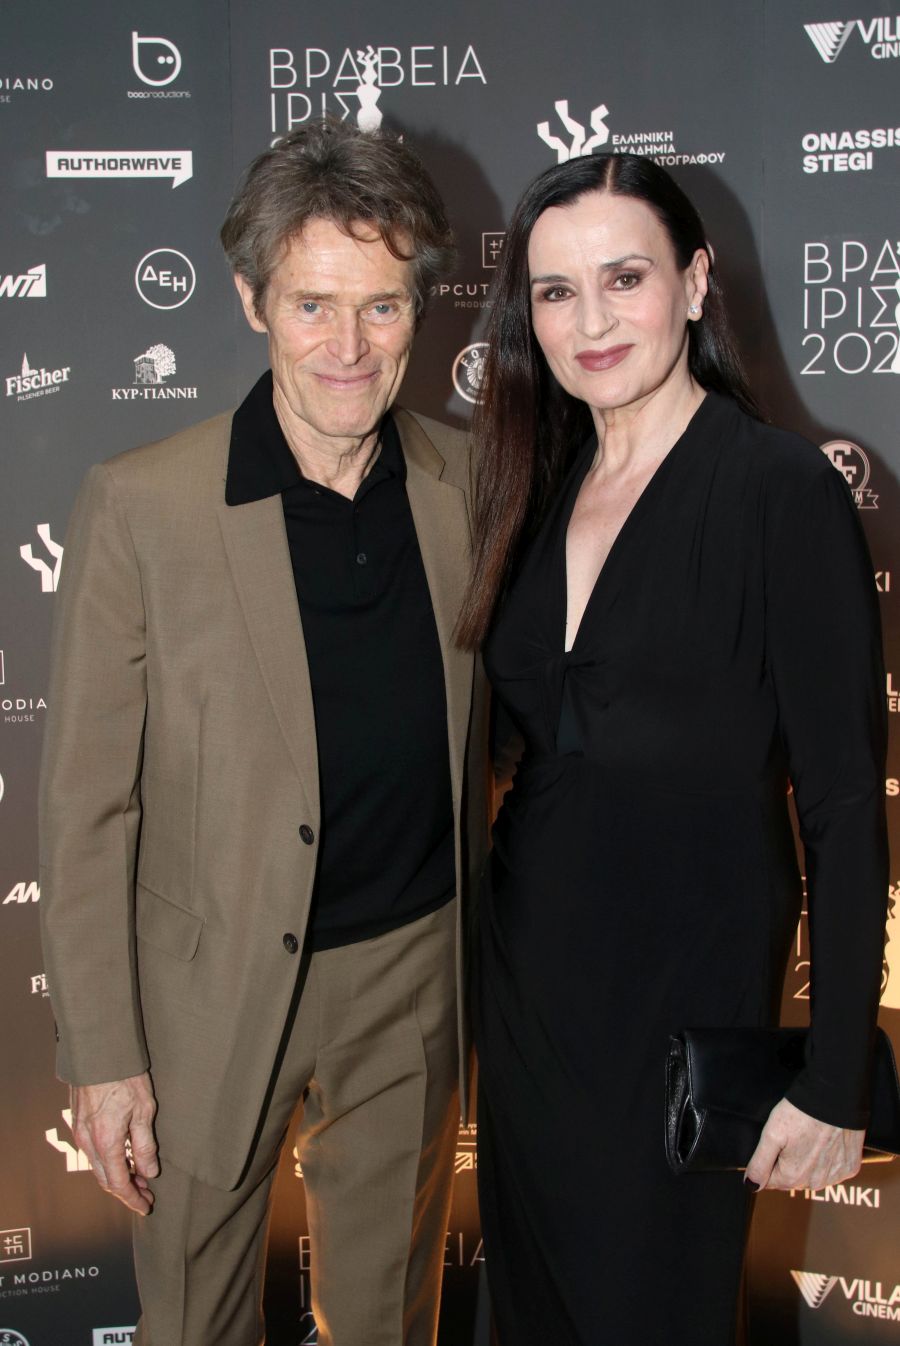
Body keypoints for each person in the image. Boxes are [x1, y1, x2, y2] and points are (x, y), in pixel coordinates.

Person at [39, 119, 488, 1346]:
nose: (349, 346)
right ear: (251, 303)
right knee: (195, 1319)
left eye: (382, 306)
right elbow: (85, 807)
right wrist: (105, 1053)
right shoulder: (141, 504)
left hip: (409, 972)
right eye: (312, 305)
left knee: (388, 1319)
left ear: (419, 307)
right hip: (205, 993)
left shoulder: (468, 483)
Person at [456, 152, 888, 1346]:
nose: (590, 322)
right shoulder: (532, 487)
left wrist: (834, 1080)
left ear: (695, 284)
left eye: (625, 278)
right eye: (555, 291)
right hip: (530, 995)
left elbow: (846, 804)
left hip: (683, 1007)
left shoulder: (779, 489)